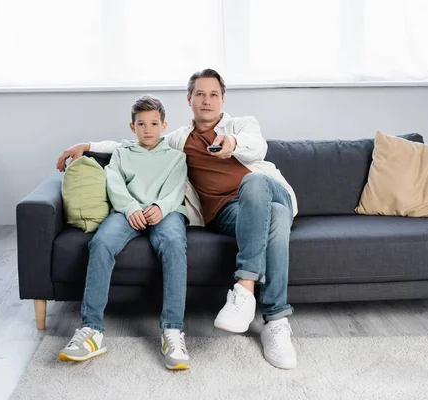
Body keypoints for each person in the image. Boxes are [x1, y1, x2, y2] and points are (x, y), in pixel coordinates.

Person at [57, 69, 299, 370]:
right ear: (189, 99)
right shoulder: (178, 141)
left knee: (256, 187)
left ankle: (246, 290)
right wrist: (89, 147)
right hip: (229, 213)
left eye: (213, 95)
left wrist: (233, 144)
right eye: (200, 94)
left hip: (270, 192)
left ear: (223, 99)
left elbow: (257, 145)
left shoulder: (241, 125)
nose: (207, 101)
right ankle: (276, 322)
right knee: (273, 219)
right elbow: (134, 144)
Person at [58, 95, 191, 371]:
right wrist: (130, 207)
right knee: (101, 244)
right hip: (126, 212)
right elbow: (114, 182)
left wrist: (161, 207)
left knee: (175, 245)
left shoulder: (177, 156)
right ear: (132, 127)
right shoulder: (122, 152)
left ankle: (172, 332)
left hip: (165, 213)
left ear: (164, 125)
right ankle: (91, 330)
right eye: (141, 124)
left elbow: (176, 188)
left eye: (154, 123)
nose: (148, 129)